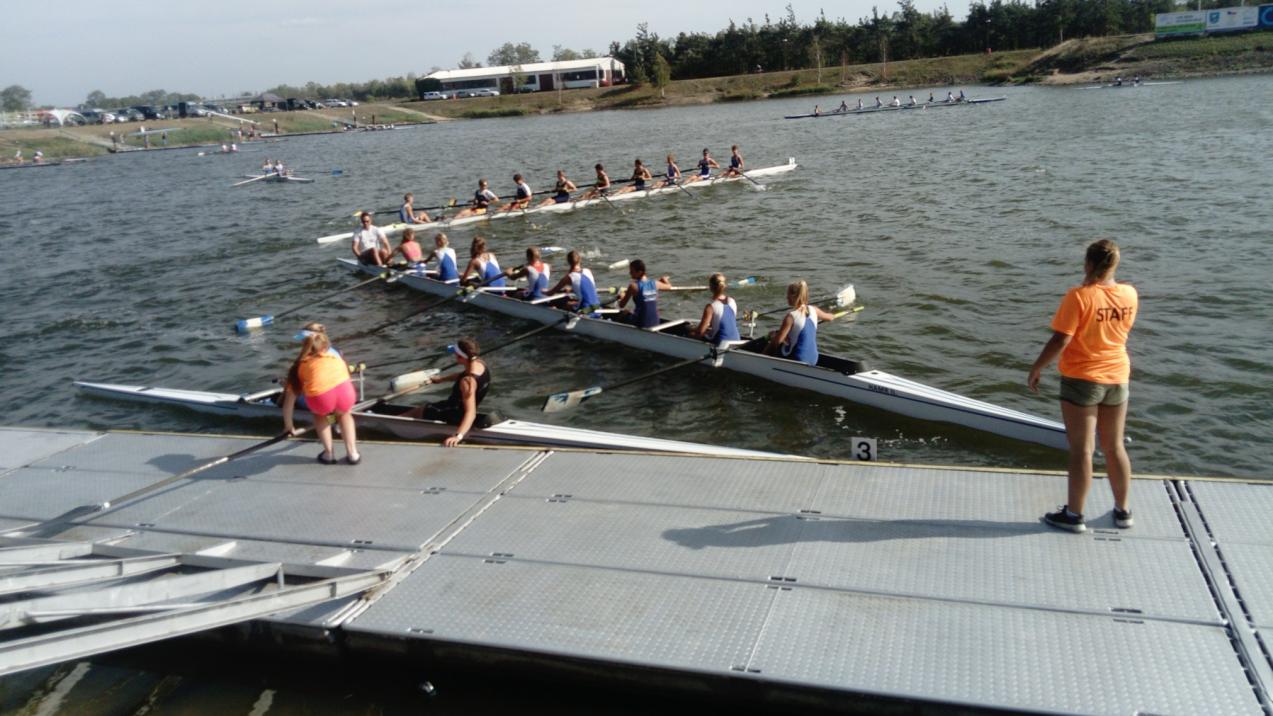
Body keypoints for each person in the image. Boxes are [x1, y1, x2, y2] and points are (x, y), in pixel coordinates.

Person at [1028, 239, 1137, 533]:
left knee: (1082, 450)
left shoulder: (1078, 296)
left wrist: (1037, 368)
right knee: (1115, 446)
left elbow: (1061, 339)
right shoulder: (1129, 293)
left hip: (1082, 379)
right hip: (1118, 377)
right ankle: (1123, 511)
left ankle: (1074, 515)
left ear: (1087, 264)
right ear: (1115, 265)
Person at [281, 324, 360, 464]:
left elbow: (289, 402)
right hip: (346, 394)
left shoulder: (300, 365)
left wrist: (289, 426)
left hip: (323, 400)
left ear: (305, 343)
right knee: (344, 414)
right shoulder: (336, 356)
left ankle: (329, 454)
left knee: (321, 415)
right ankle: (353, 454)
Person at [404, 338, 489, 447]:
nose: (454, 355)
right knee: (426, 408)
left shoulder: (467, 382)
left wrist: (458, 436)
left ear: (461, 357)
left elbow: (471, 413)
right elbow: (461, 375)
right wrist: (441, 379)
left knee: (419, 410)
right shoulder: (480, 364)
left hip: (454, 412)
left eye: (455, 354)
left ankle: (394, 423)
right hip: (459, 407)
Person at [764, 280, 838, 366]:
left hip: (797, 359)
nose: (786, 297)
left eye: (788, 294)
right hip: (814, 359)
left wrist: (762, 356)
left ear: (793, 296)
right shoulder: (814, 310)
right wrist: (833, 315)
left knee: (773, 338)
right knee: (780, 335)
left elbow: (776, 342)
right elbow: (830, 317)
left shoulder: (791, 317)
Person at [616, 260, 673, 328]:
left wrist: (622, 296)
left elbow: (621, 305)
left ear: (639, 272)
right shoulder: (655, 283)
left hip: (641, 323)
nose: (630, 273)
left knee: (624, 312)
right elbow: (669, 286)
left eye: (632, 271)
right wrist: (664, 279)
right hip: (656, 322)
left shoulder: (633, 286)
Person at [689, 273, 741, 346]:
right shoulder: (732, 301)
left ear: (711, 287)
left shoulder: (710, 307)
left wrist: (690, 332)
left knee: (690, 334)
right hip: (737, 341)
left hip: (721, 344)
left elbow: (700, 333)